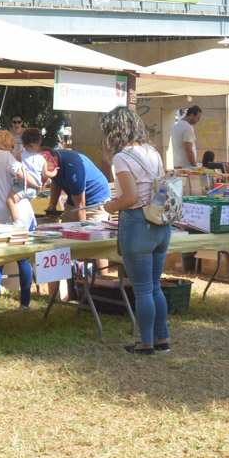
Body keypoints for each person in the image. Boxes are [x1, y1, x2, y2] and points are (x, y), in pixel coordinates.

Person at [100, 106, 172, 355]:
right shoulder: (153, 151)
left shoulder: (122, 157)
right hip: (161, 223)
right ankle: (161, 339)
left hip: (137, 223)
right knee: (154, 286)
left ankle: (146, 343)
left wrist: (110, 205)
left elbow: (129, 198)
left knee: (142, 290)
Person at [0, 129, 39, 315]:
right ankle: (24, 304)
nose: (12, 149)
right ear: (5, 143)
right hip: (18, 215)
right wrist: (37, 183)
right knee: (23, 260)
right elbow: (24, 176)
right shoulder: (6, 157)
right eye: (11, 146)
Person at [48, 146, 111, 222]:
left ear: (53, 161)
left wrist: (80, 230)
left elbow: (80, 206)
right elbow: (56, 181)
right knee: (65, 231)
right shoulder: (52, 164)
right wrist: (52, 206)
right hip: (74, 202)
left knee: (90, 232)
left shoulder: (73, 170)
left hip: (95, 202)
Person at [171, 105, 201, 170]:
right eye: (197, 118)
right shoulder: (188, 128)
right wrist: (194, 166)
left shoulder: (175, 125)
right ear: (191, 115)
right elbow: (188, 149)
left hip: (177, 164)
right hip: (187, 167)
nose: (198, 120)